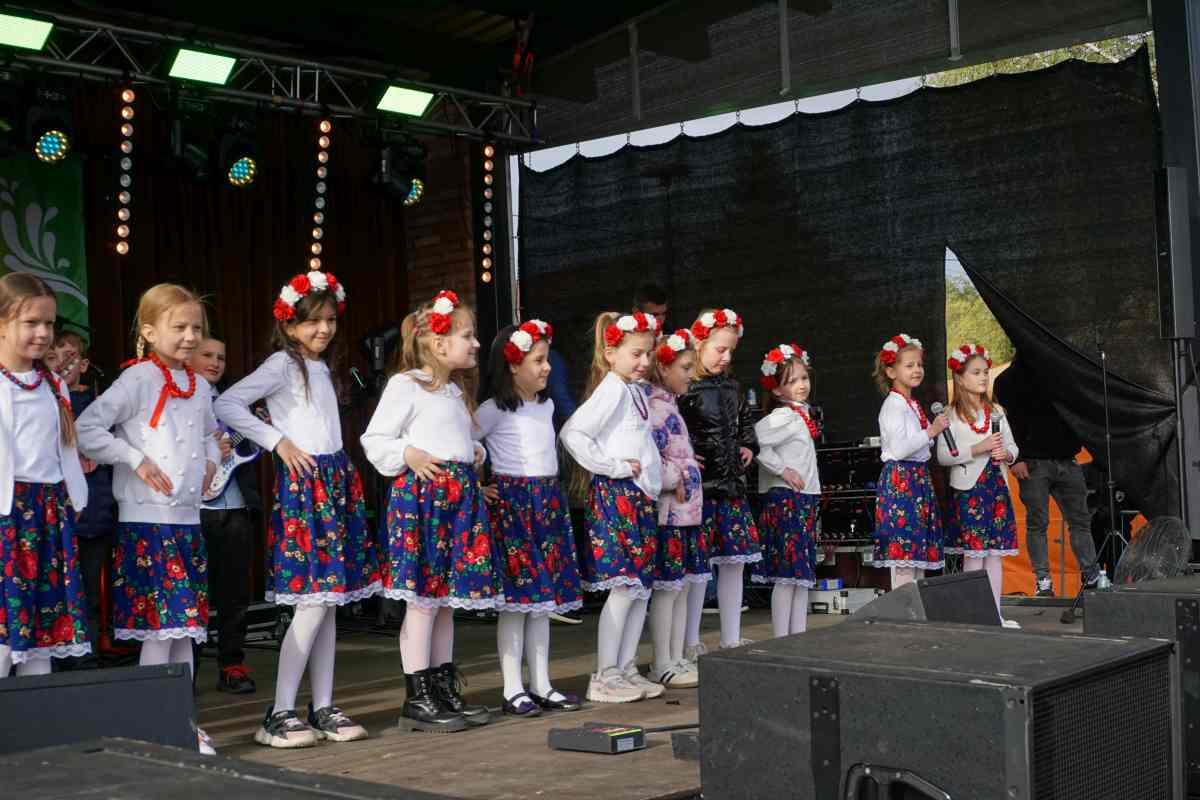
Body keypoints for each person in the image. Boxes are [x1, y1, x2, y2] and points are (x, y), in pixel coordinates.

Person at [217, 270, 375, 748]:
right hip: (307, 488)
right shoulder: (282, 364)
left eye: (330, 320)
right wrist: (277, 442)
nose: (323, 329)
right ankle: (280, 711)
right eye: (312, 321)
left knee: (329, 604)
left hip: (335, 481)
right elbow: (229, 403)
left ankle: (322, 705)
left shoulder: (322, 367)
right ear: (289, 324)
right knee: (311, 603)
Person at [77, 283, 218, 754]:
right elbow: (87, 428)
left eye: (196, 327)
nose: (190, 336)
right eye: (179, 327)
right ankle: (155, 725)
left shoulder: (200, 386)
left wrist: (212, 462)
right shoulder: (137, 379)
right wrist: (134, 458)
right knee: (161, 629)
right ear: (150, 330)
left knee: (186, 631)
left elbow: (210, 435)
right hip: (147, 524)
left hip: (187, 522)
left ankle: (182, 721)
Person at [361, 289, 498, 733]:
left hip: (457, 502)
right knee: (422, 601)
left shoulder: (454, 391)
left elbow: (454, 439)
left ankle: (442, 687)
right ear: (439, 343)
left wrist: (473, 451)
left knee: (445, 603)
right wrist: (409, 453)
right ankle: (417, 696)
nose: (475, 343)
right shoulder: (407, 385)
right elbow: (375, 439)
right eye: (467, 335)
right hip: (424, 503)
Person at [477, 320, 583, 716]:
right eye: (538, 360)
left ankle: (541, 683)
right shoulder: (492, 409)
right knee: (517, 603)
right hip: (514, 507)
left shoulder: (547, 405)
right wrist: (476, 485)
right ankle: (512, 688)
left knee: (542, 601)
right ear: (512, 365)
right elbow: (464, 444)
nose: (547, 367)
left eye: (546, 359)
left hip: (547, 503)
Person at [561, 310, 663, 703]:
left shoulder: (633, 390)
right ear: (610, 353)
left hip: (638, 498)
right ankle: (605, 674)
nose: (644, 361)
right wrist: (613, 467)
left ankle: (626, 667)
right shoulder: (613, 389)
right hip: (617, 497)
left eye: (648, 354)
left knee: (639, 589)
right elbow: (573, 433)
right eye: (636, 353)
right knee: (624, 587)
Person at [0, 273, 90, 678]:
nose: (42, 333)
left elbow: (64, 449)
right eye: (31, 323)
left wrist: (75, 497)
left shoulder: (53, 385)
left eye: (48, 323)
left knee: (43, 626)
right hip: (7, 515)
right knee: (6, 627)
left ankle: (34, 711)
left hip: (49, 512)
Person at [678, 308, 759, 651]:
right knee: (697, 569)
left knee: (733, 563)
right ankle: (690, 641)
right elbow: (673, 430)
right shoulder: (685, 388)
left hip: (731, 488)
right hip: (700, 490)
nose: (726, 357)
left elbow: (745, 423)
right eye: (720, 349)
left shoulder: (732, 387)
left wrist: (748, 445)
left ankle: (730, 637)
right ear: (699, 344)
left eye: (730, 351)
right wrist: (685, 456)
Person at [993, 358, 1100, 596]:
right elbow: (1006, 424)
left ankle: (1091, 576)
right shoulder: (1007, 380)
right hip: (1032, 462)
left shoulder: (1059, 372)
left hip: (1067, 459)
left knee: (1080, 521)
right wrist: (1016, 459)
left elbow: (1078, 410)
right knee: (1038, 523)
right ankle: (1043, 582)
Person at [190, 337, 260, 693]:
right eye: (207, 355)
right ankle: (184, 669)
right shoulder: (179, 398)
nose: (215, 362)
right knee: (192, 595)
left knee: (234, 594)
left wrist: (255, 430)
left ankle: (232, 665)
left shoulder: (233, 403)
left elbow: (251, 448)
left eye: (221, 357)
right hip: (192, 511)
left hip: (235, 507)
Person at [938, 344, 1020, 626]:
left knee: (995, 554)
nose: (984, 377)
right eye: (976, 372)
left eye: (986, 372)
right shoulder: (950, 415)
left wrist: (1006, 454)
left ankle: (995, 614)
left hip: (996, 487)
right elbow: (943, 456)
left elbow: (1013, 446)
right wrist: (978, 448)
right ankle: (974, 615)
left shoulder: (996, 411)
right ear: (960, 378)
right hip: (969, 490)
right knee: (974, 555)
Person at [52, 330, 116, 669]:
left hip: (95, 507)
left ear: (85, 364)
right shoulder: (45, 398)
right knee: (55, 588)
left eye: (71, 356)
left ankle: (86, 656)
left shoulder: (99, 403)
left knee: (89, 588)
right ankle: (54, 655)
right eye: (57, 355)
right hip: (55, 509)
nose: (64, 363)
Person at [645, 328, 704, 687]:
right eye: (685, 367)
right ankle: (662, 661)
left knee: (680, 586)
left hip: (685, 515)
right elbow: (652, 458)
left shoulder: (670, 407)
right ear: (663, 368)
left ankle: (677, 656)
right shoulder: (655, 409)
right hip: (670, 514)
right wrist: (676, 474)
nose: (691, 375)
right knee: (667, 589)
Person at [752, 343, 820, 637]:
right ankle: (782, 637)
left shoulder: (800, 414)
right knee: (787, 574)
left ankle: (798, 635)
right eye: (791, 381)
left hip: (803, 498)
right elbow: (755, 442)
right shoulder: (784, 416)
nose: (801, 385)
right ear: (777, 389)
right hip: (786, 499)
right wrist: (782, 470)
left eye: (803, 378)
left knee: (800, 574)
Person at [871, 333, 947, 590]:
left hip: (917, 478)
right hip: (901, 480)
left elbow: (920, 446)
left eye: (919, 364)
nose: (917, 370)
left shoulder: (911, 403)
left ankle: (916, 608)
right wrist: (931, 432)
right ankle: (905, 608)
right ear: (891, 371)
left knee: (917, 552)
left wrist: (929, 436)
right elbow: (900, 448)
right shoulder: (894, 405)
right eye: (909, 365)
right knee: (904, 553)